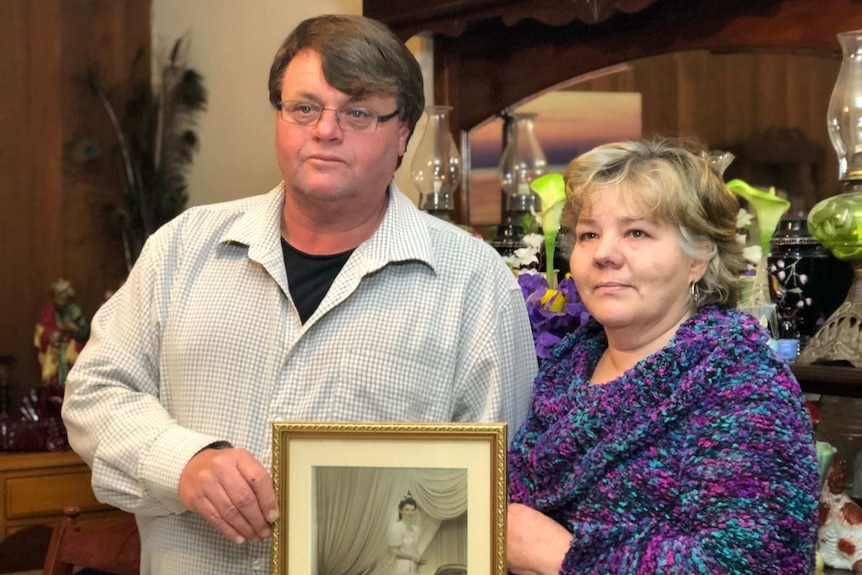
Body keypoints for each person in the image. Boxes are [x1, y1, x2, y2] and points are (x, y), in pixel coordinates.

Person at [62, 14, 536, 575]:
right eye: (304, 108)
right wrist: (181, 463)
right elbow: (96, 389)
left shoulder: (473, 282)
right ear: (280, 117)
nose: (325, 130)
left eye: (357, 111)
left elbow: (502, 483)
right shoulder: (183, 248)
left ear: (403, 132)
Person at [506, 138, 820, 575]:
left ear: (699, 257)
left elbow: (755, 565)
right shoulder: (565, 370)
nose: (603, 254)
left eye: (637, 233)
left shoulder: (744, 387)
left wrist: (560, 556)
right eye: (588, 234)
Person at [34, 278, 90, 386]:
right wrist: (51, 335)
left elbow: (85, 331)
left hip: (71, 349)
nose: (60, 297)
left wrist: (74, 328)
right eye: (58, 294)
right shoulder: (49, 311)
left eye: (63, 294)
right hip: (55, 351)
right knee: (53, 378)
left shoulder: (74, 310)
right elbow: (41, 330)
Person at [387, 495, 426, 574]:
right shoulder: (397, 527)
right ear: (401, 511)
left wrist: (418, 557)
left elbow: (414, 549)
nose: (410, 513)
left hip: (414, 567)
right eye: (407, 510)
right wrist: (412, 557)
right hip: (401, 567)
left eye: (412, 510)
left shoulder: (416, 529)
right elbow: (393, 551)